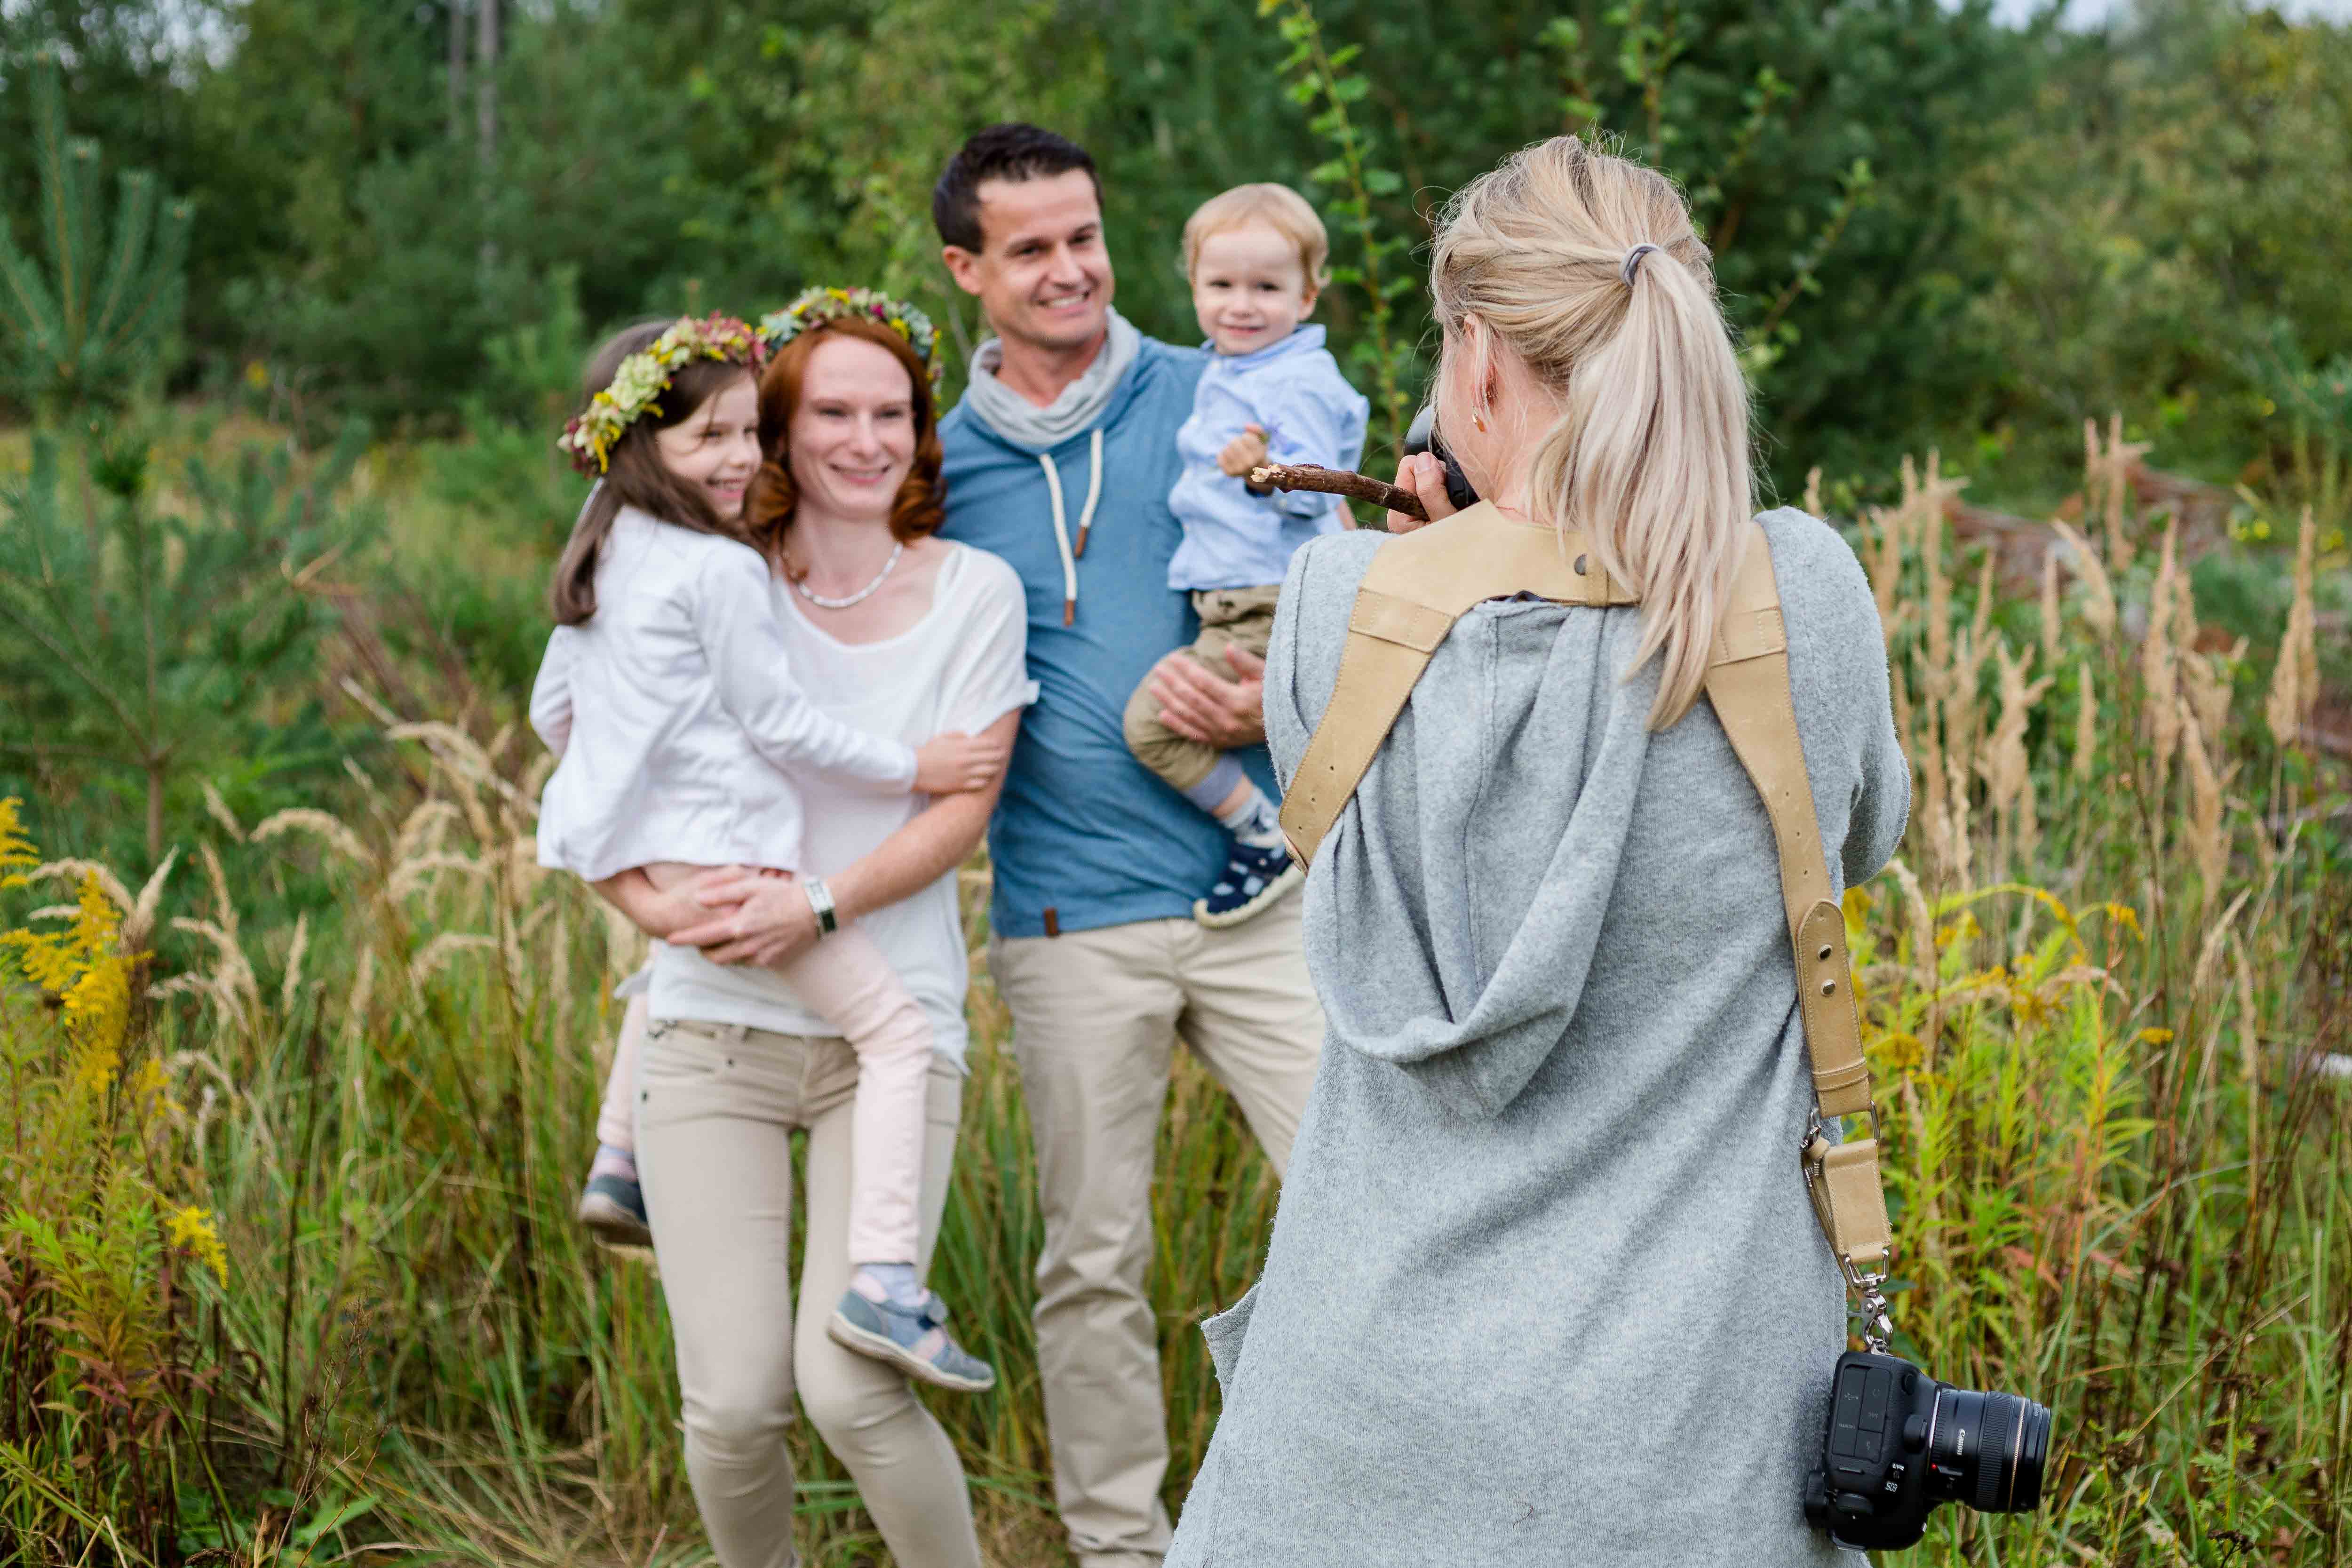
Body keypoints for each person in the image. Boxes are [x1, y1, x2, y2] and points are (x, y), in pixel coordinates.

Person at [1164, 136, 1911, 1567]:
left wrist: (1435, 568)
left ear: (1484, 362)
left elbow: (1463, 765)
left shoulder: (1336, 606)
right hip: (1698, 1445)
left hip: (1353, 1436)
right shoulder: (1802, 595)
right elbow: (1858, 830)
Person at [580, 291, 1037, 1568]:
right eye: (831, 410)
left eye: (889, 412)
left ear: (920, 430)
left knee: (849, 1389)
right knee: (735, 1402)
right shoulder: (707, 579)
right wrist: (660, 907)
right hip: (713, 1024)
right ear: (776, 429)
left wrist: (818, 903)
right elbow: (589, 761)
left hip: (883, 1032)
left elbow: (963, 802)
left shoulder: (976, 592)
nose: (864, 437)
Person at [932, 124, 1325, 1568]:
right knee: (1093, 1262)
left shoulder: (1225, 383)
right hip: (1068, 913)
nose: (1069, 270)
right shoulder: (933, 462)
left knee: (1368, 1191)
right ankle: (1123, 1547)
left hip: (1263, 898)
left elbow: (1353, 575)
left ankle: (1322, 1511)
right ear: (967, 269)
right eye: (1028, 248)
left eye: (1084, 237)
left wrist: (1264, 686)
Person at [1119, 183, 1368, 927]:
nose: (1242, 304)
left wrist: (1265, 470)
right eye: (1221, 284)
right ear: (1194, 286)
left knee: (1151, 726)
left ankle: (1265, 835)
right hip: (1239, 598)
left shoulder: (1298, 380)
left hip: (1270, 597)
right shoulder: (1231, 371)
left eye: (1267, 287)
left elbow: (1322, 484)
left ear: (1308, 294)